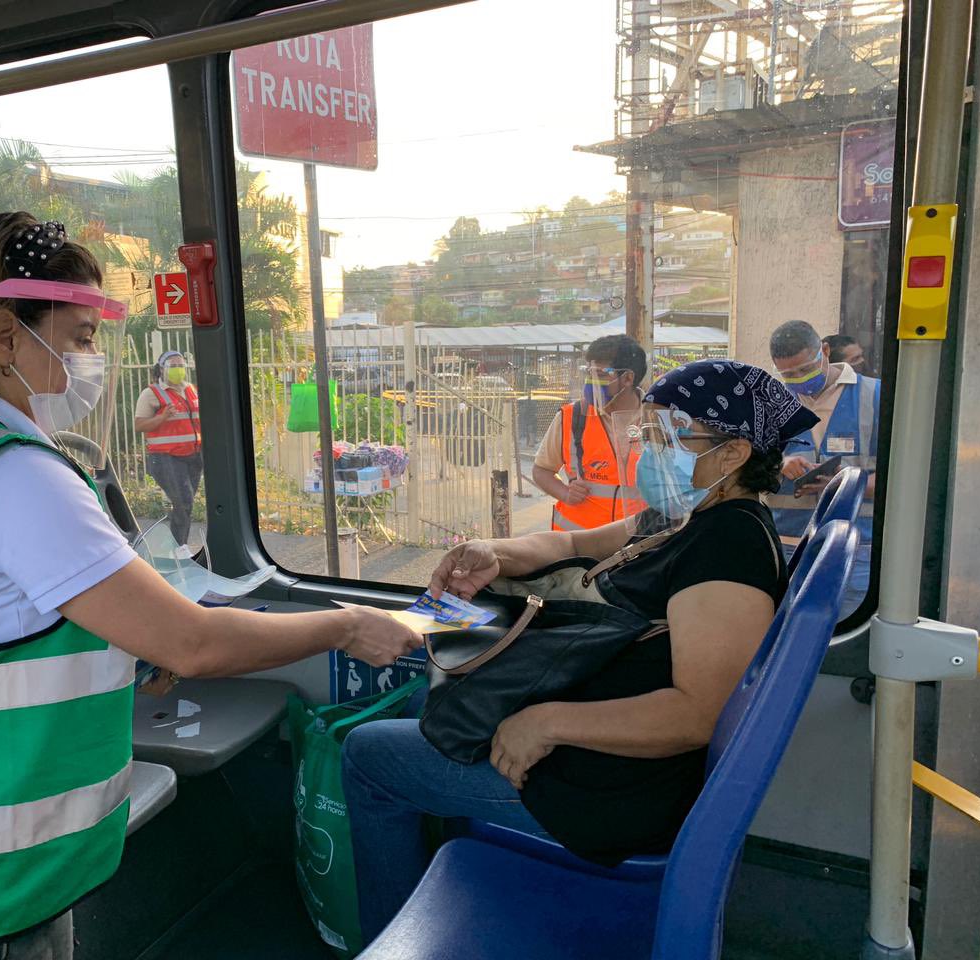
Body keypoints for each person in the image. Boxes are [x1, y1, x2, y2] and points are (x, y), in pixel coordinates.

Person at [0, 213, 420, 960]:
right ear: (7, 339)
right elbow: (193, 643)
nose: (91, 362)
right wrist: (347, 624)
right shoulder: (19, 476)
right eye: (80, 339)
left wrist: (126, 647)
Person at [340, 359, 819, 944]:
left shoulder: (730, 546)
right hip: (594, 745)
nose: (649, 449)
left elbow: (698, 713)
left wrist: (546, 724)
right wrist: (494, 552)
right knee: (433, 706)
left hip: (608, 785)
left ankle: (381, 938)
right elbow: (567, 542)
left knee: (368, 758)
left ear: (733, 453)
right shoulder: (683, 518)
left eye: (670, 435)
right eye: (648, 431)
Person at [769, 320, 880, 613]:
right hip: (788, 549)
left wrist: (844, 483)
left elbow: (904, 479)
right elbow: (747, 467)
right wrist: (779, 463)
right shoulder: (772, 404)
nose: (799, 379)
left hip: (853, 552)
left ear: (825, 351)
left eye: (805, 369)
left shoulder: (875, 397)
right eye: (788, 375)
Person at [532, 335, 645, 532]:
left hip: (637, 545)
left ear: (628, 378)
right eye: (588, 372)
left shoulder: (657, 419)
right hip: (578, 547)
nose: (590, 381)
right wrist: (565, 493)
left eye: (601, 374)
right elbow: (541, 470)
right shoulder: (571, 417)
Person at [134, 350, 202, 550]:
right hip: (166, 457)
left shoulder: (190, 389)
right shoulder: (151, 394)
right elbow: (139, 426)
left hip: (193, 455)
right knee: (183, 502)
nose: (178, 370)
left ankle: (175, 545)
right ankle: (180, 548)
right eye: (173, 366)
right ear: (162, 369)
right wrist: (162, 417)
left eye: (181, 365)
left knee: (185, 504)